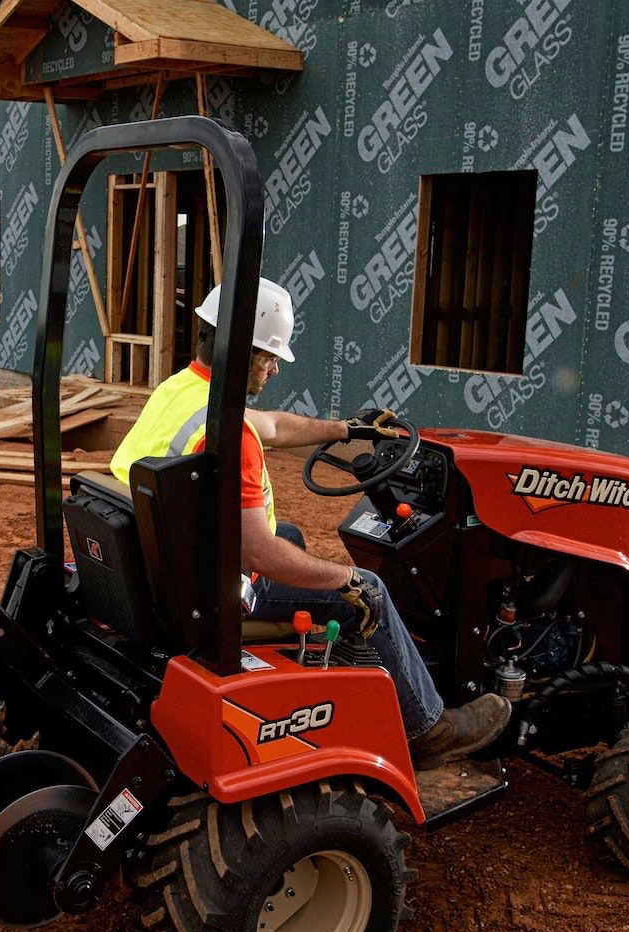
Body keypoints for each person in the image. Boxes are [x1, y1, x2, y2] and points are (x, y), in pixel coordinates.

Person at [110, 279, 511, 773]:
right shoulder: (230, 435)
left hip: (167, 569)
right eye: (268, 357)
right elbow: (257, 552)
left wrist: (348, 429)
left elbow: (273, 425)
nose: (275, 368)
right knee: (373, 589)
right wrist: (348, 578)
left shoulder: (183, 393)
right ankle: (427, 728)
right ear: (240, 350)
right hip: (218, 590)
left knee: (293, 535)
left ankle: (360, 660)